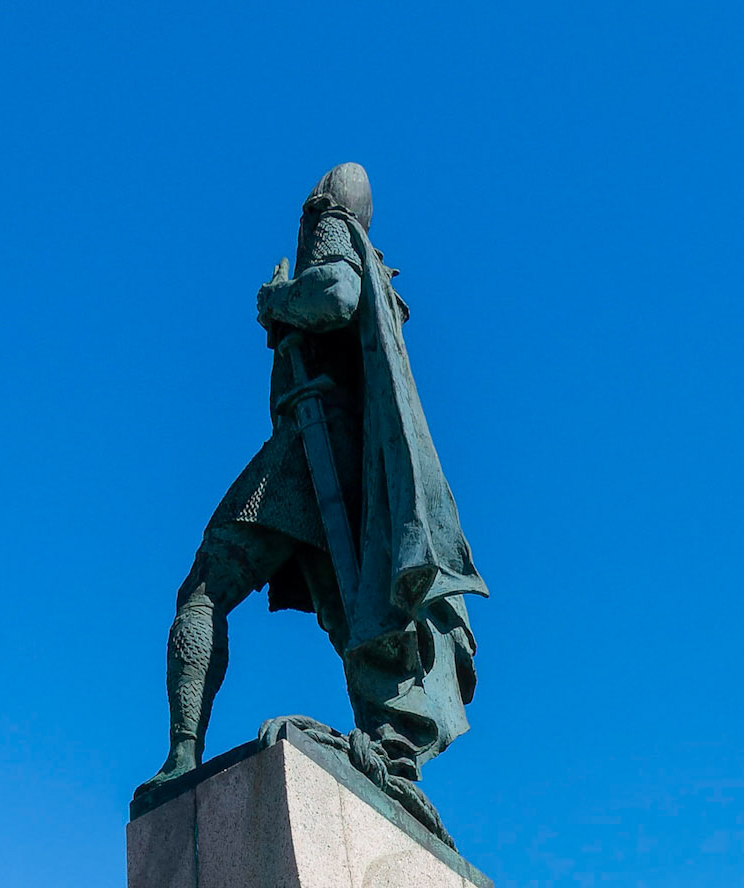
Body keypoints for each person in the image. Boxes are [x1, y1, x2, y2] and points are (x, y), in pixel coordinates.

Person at [133, 162, 487, 846]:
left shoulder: (331, 220)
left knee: (204, 591)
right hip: (345, 456)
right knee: (355, 622)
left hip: (312, 443)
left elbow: (334, 294)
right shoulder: (377, 261)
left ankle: (182, 757)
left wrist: (276, 299)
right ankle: (390, 750)